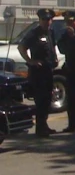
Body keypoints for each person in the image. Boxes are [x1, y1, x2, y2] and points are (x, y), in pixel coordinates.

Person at [18, 9, 59, 138]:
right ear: (40, 20)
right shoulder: (34, 33)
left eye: (48, 19)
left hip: (48, 71)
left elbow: (52, 47)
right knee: (40, 101)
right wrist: (31, 61)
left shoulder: (50, 32)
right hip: (38, 73)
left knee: (47, 100)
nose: (47, 22)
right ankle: (40, 129)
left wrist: (55, 58)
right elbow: (21, 47)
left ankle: (44, 125)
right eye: (44, 20)